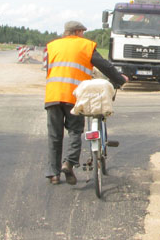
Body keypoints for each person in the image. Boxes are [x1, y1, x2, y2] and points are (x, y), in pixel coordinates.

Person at [44, 21, 128, 185]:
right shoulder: (85, 46)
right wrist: (119, 79)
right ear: (76, 32)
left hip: (52, 95)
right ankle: (68, 163)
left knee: (54, 135)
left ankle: (53, 174)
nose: (83, 34)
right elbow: (105, 66)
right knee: (75, 131)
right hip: (75, 96)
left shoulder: (52, 46)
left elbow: (50, 69)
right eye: (82, 31)